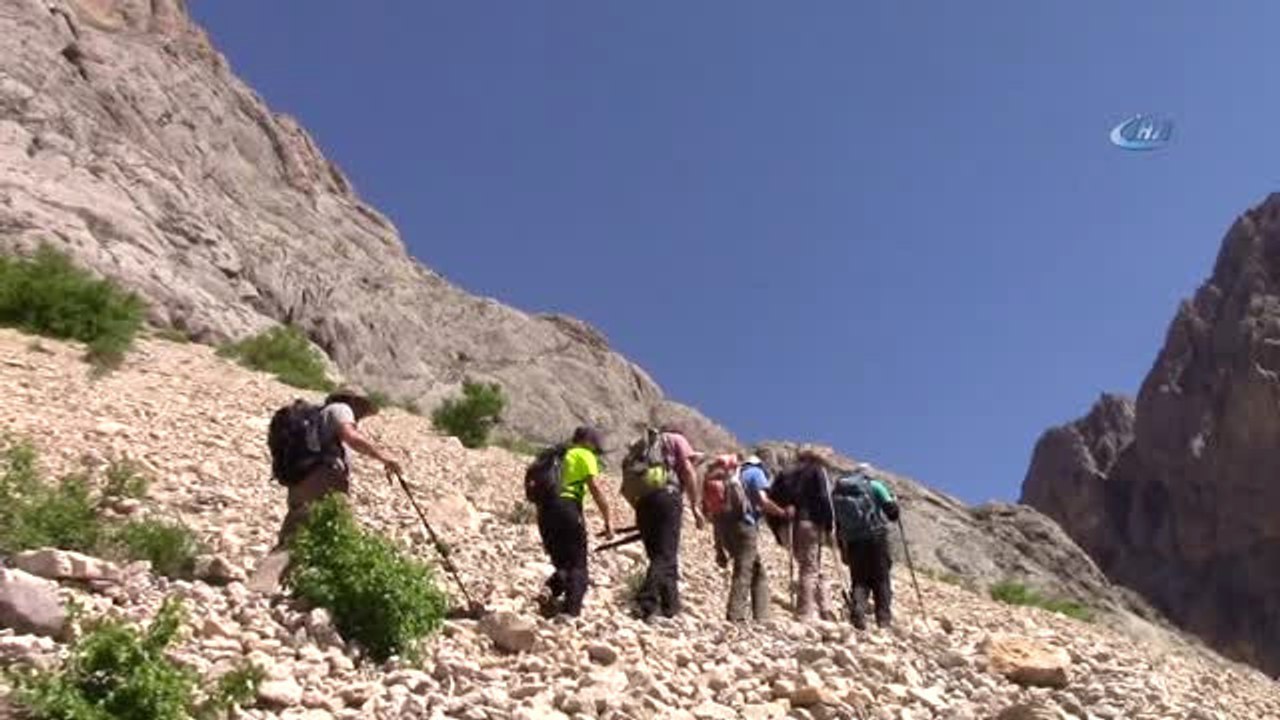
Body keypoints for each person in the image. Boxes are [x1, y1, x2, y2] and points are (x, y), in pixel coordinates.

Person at [250, 385, 402, 592]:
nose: (363, 415)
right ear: (355, 402)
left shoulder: (320, 417)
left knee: (295, 536)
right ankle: (341, 593)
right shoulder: (341, 409)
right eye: (364, 408)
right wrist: (384, 457)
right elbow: (351, 437)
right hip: (323, 483)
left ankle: (265, 586)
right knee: (341, 533)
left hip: (300, 481)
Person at [537, 426, 615, 617]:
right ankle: (570, 614)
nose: (596, 448)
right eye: (595, 443)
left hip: (545, 512)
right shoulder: (584, 454)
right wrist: (608, 519)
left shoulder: (556, 455)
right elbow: (594, 488)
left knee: (563, 564)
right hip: (568, 508)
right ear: (588, 442)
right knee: (579, 567)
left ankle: (550, 591)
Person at [632, 424, 703, 621]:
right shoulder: (676, 439)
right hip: (667, 497)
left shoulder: (647, 446)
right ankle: (644, 602)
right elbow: (688, 471)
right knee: (665, 555)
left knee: (661, 557)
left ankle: (670, 607)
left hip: (643, 502)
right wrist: (695, 506)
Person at [715, 454, 792, 622]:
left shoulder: (733, 476)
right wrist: (783, 513)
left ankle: (762, 617)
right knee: (744, 570)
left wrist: (719, 548)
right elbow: (763, 501)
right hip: (745, 526)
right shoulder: (756, 473)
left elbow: (718, 513)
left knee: (758, 572)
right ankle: (735, 616)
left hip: (726, 529)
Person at [772, 448, 837, 621]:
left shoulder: (783, 474)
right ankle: (805, 613)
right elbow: (825, 498)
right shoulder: (817, 470)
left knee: (811, 567)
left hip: (787, 527)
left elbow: (771, 501)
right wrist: (829, 524)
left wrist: (778, 532)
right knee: (808, 569)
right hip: (809, 524)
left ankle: (826, 608)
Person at [834, 462, 900, 629]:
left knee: (859, 580)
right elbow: (892, 513)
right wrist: (893, 501)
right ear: (869, 474)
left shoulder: (840, 492)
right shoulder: (875, 486)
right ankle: (883, 621)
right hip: (876, 537)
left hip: (853, 542)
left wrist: (843, 548)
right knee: (881, 579)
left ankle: (858, 612)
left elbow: (838, 525)